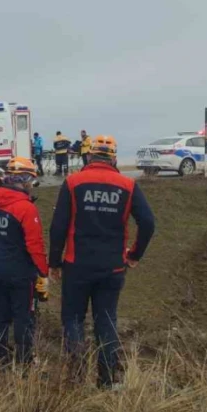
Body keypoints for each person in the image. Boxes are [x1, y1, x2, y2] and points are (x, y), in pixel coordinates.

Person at [49, 135, 156, 388]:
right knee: (106, 320)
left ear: (89, 156)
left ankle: (75, 376)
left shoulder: (73, 182)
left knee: (73, 318)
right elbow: (149, 223)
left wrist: (54, 262)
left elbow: (58, 227)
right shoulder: (128, 185)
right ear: (114, 158)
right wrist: (134, 256)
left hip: (77, 265)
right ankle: (107, 382)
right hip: (113, 267)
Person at [0, 157, 48, 364]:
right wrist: (43, 272)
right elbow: (35, 245)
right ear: (25, 181)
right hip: (19, 275)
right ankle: (24, 363)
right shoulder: (26, 209)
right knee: (23, 318)